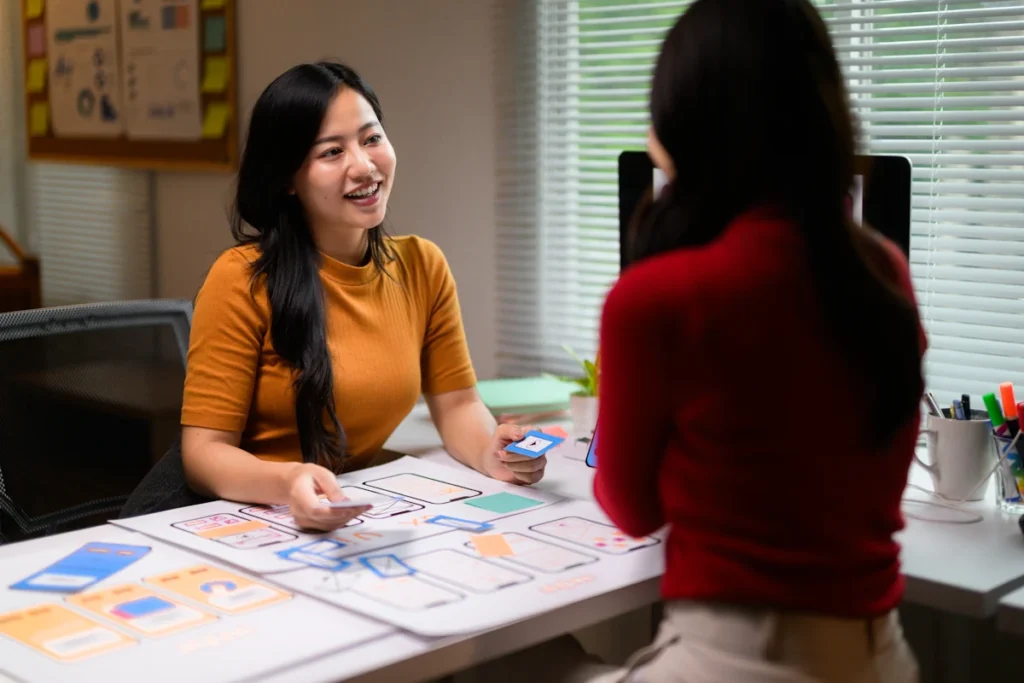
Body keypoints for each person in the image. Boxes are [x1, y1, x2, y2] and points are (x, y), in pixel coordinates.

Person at [590, 0, 926, 680]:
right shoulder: (882, 270)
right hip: (881, 655)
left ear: (685, 121)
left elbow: (629, 507)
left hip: (739, 659)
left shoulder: (659, 297)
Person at [175, 62, 545, 531]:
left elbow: (456, 406)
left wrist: (491, 452)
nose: (364, 166)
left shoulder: (422, 265)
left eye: (371, 139)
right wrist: (289, 482)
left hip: (350, 513)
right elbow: (203, 455)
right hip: (249, 519)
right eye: (332, 151)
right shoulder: (241, 279)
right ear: (288, 178)